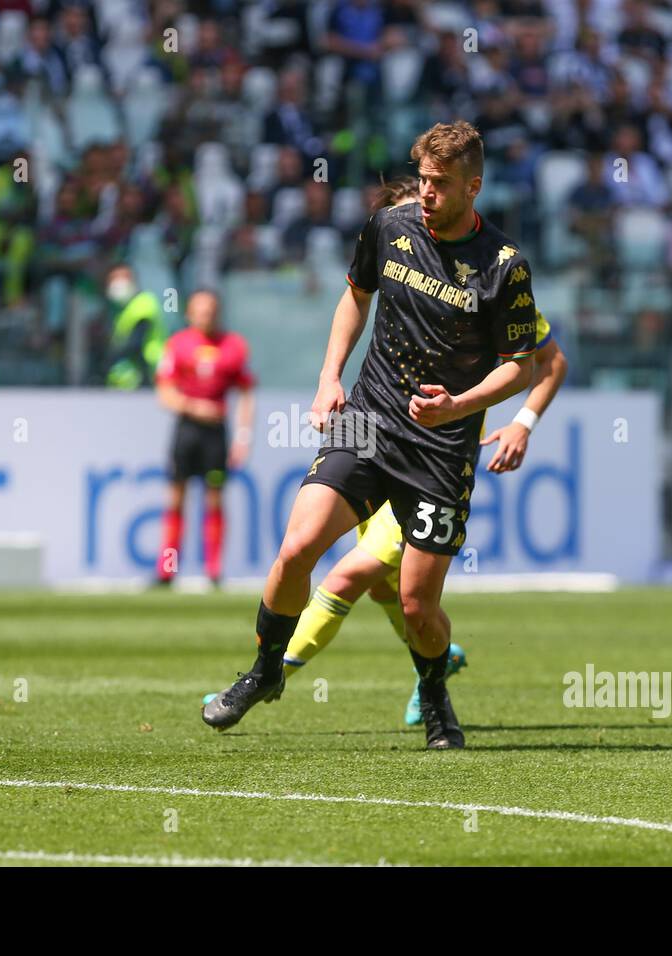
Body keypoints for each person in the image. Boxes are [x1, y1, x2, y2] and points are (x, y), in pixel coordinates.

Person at [202, 121, 540, 749]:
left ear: (475, 186)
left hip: (441, 447)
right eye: (425, 180)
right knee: (298, 547)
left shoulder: (503, 267)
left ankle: (435, 690)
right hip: (368, 417)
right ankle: (263, 670)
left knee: (416, 606)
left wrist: (459, 405)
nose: (428, 193)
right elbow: (355, 295)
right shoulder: (390, 227)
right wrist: (330, 376)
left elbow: (524, 364)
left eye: (442, 185)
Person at [153, 289, 255, 588]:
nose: (205, 315)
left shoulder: (233, 347)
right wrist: (195, 407)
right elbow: (164, 393)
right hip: (186, 430)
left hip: (216, 435)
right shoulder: (177, 345)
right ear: (189, 313)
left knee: (214, 498)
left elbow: (247, 394)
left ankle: (213, 569)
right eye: (200, 310)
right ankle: (167, 569)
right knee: (175, 496)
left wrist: (243, 437)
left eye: (210, 310)